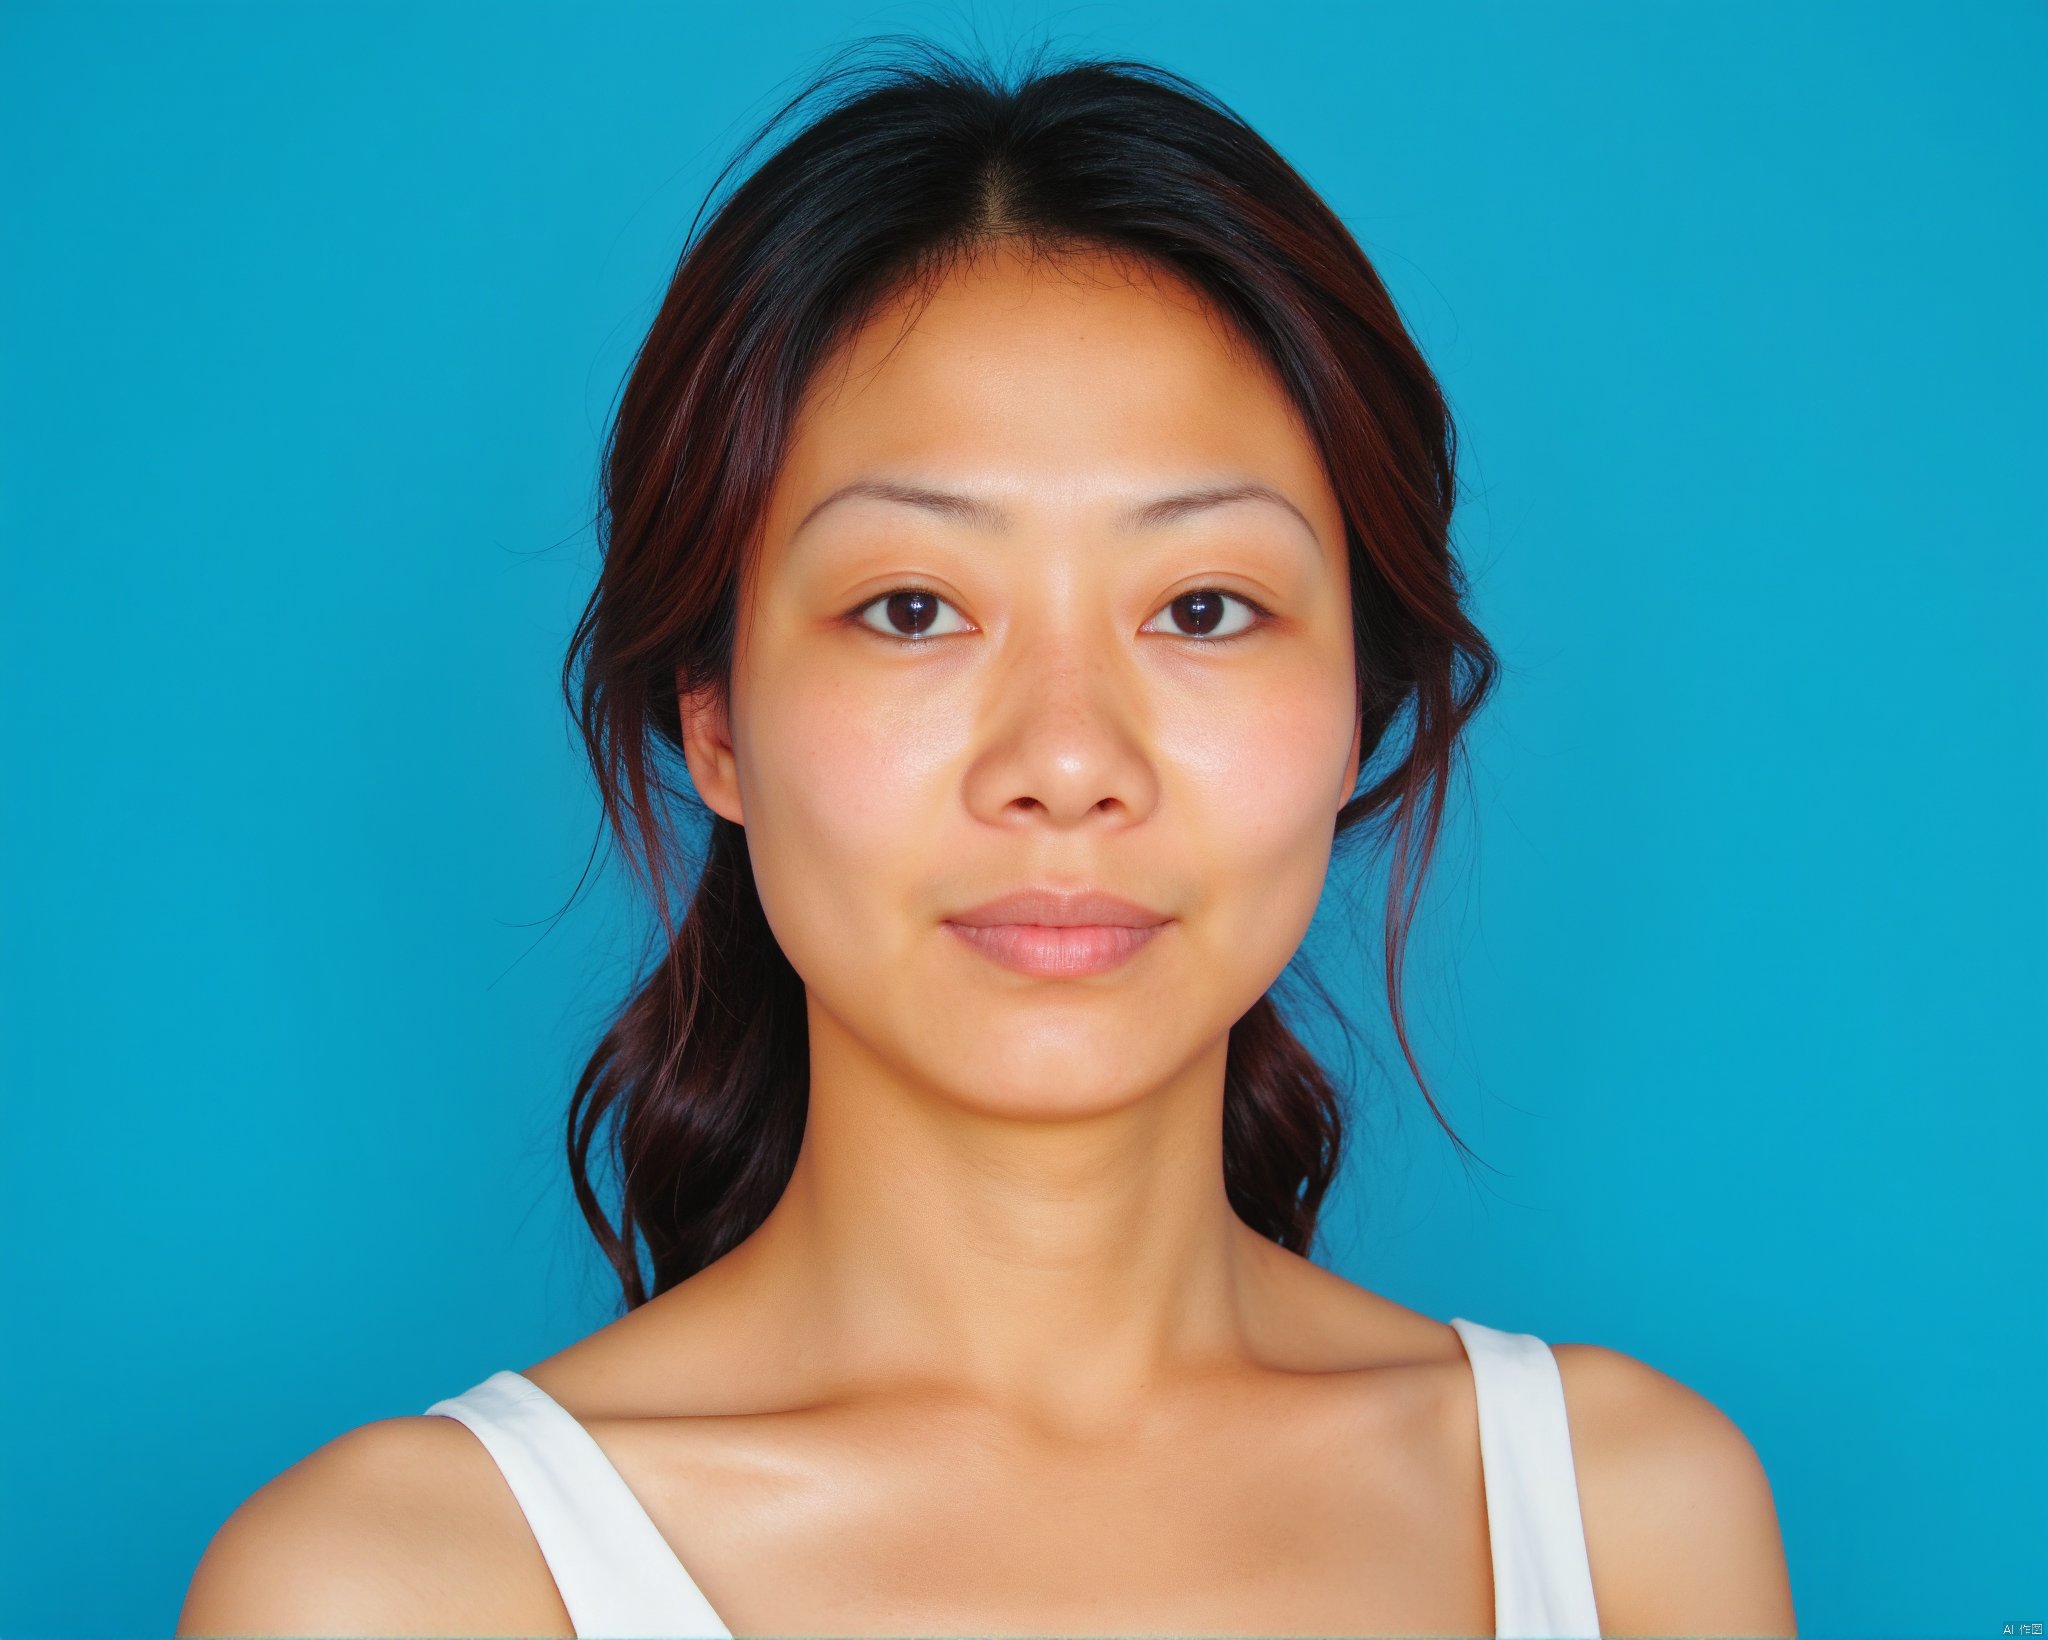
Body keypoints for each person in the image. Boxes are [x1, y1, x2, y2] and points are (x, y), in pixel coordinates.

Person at [176, 40, 1796, 1639]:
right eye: (913, 608)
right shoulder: (401, 1585)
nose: (1068, 762)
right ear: (713, 720)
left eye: (1205, 607)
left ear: (1361, 707)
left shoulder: (1625, 1513)